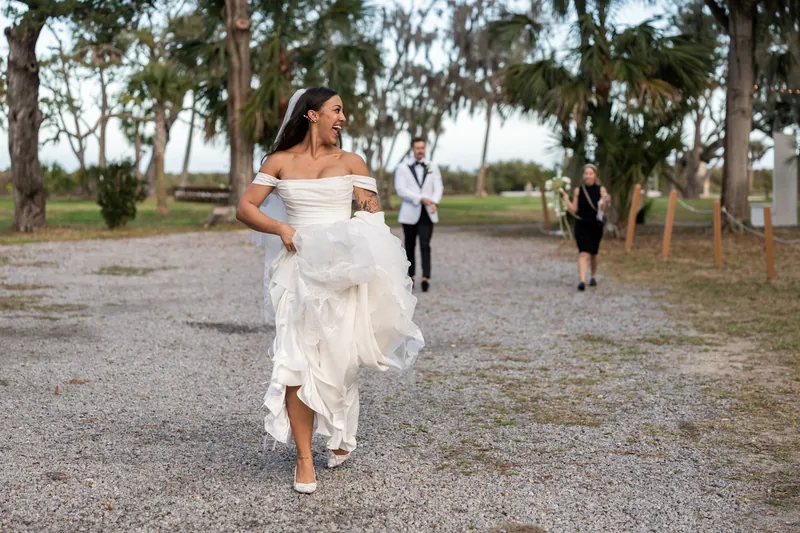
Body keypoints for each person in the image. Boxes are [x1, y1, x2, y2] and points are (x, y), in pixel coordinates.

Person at [236, 87, 424, 494]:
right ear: (311, 115)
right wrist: (281, 228)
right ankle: (304, 459)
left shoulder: (351, 162)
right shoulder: (279, 162)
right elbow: (246, 207)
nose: (342, 118)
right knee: (296, 359)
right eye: (336, 110)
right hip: (297, 271)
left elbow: (373, 216)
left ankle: (338, 432)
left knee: (340, 359)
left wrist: (360, 240)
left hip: (340, 270)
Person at [394, 137, 443, 292]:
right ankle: (411, 276)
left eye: (422, 147)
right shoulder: (403, 167)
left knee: (425, 245)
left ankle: (426, 277)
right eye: (417, 148)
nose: (420, 150)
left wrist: (433, 201)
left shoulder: (432, 166)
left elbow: (438, 186)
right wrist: (421, 199)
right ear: (412, 149)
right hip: (409, 213)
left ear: (425, 148)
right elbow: (401, 189)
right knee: (410, 245)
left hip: (427, 213)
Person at [561, 164, 610, 291]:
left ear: (595, 175)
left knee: (593, 253)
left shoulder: (601, 190)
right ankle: (582, 280)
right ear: (583, 176)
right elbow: (574, 209)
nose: (588, 176)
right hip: (581, 224)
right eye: (586, 173)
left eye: (590, 173)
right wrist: (566, 199)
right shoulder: (578, 190)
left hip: (595, 225)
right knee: (583, 253)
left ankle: (593, 276)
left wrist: (605, 201)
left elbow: (603, 209)